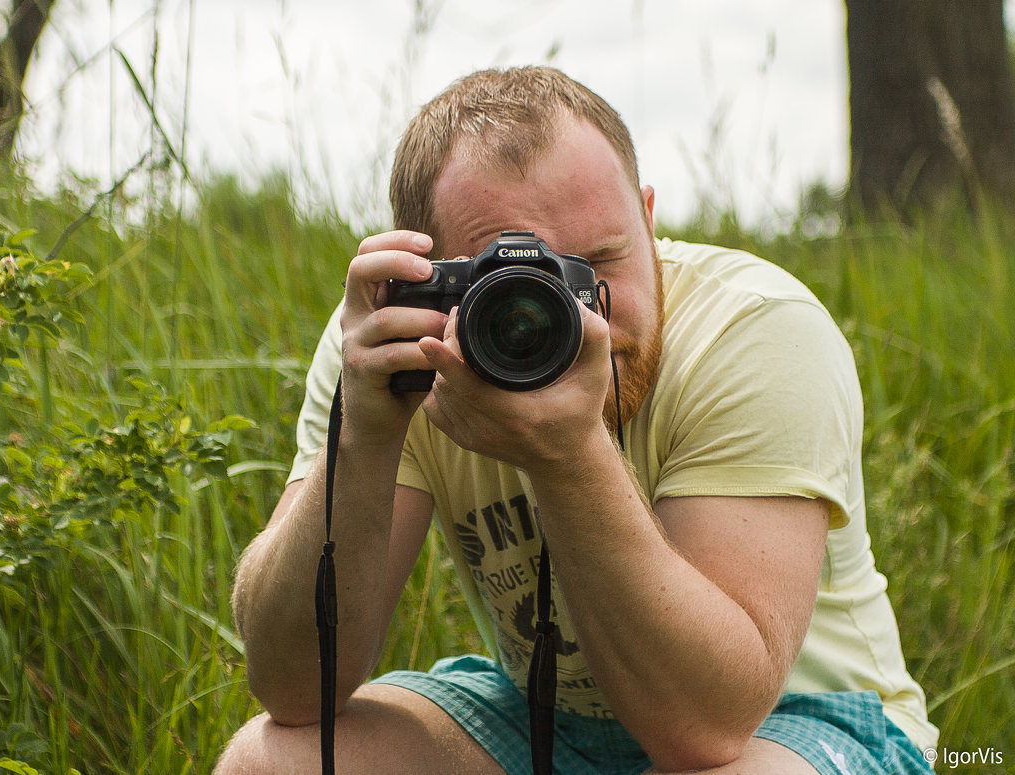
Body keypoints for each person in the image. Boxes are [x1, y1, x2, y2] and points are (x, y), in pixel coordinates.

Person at [216, 66, 938, 774]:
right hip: (542, 711)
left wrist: (569, 454)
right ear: (426, 277)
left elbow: (707, 726)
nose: (579, 313)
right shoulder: (393, 343)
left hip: (798, 718)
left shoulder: (754, 328)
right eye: (516, 286)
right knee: (270, 760)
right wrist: (364, 437)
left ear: (649, 219)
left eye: (600, 261)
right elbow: (292, 687)